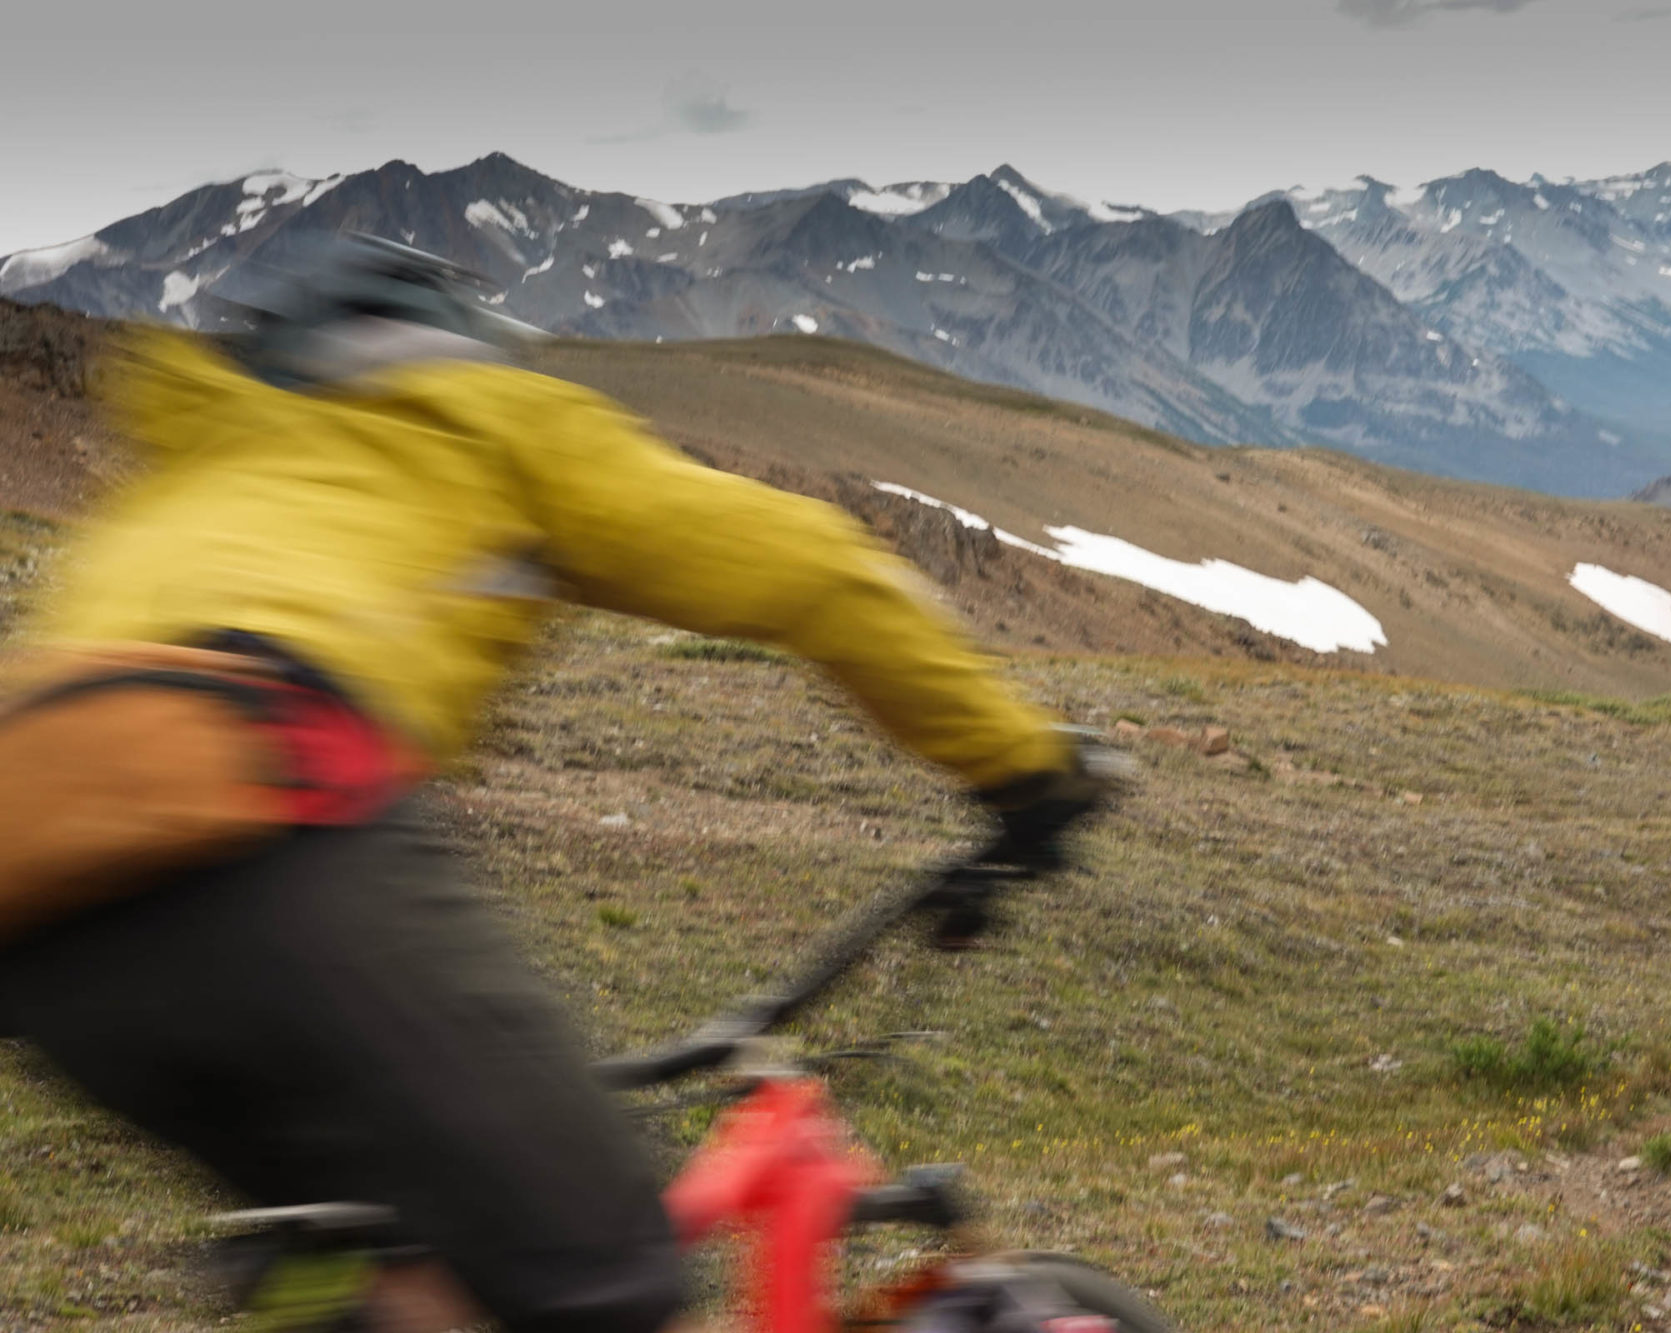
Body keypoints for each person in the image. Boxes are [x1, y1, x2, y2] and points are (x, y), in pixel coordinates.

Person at [0, 235, 1118, 1333]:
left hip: (51, 927)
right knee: (607, 1275)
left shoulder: (187, 483)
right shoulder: (485, 417)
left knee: (411, 1264)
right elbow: (814, 572)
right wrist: (1022, 769)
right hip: (271, 803)